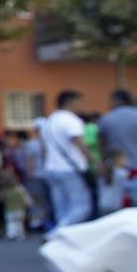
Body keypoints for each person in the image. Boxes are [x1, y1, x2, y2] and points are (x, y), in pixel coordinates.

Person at [41, 90, 94, 230]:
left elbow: (43, 148)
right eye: (79, 102)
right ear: (71, 102)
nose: (81, 106)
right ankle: (56, 233)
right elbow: (79, 142)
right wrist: (93, 161)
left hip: (51, 168)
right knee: (81, 206)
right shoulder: (71, 120)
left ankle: (60, 240)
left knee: (61, 208)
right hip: (70, 169)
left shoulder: (49, 120)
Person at [99, 90, 137, 208]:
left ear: (116, 100)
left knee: (118, 202)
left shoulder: (107, 119)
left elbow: (102, 145)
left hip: (116, 167)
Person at [24, 121, 54, 231]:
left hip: (36, 176)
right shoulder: (49, 142)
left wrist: (29, 173)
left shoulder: (32, 144)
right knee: (48, 200)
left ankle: (37, 223)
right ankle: (48, 221)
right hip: (49, 175)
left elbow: (30, 161)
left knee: (36, 201)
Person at [0, 167, 32, 240]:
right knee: (19, 223)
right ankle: (20, 234)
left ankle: (11, 234)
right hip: (20, 210)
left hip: (9, 211)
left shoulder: (6, 192)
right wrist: (27, 204)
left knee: (11, 223)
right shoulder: (19, 190)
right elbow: (25, 199)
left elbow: (1, 199)